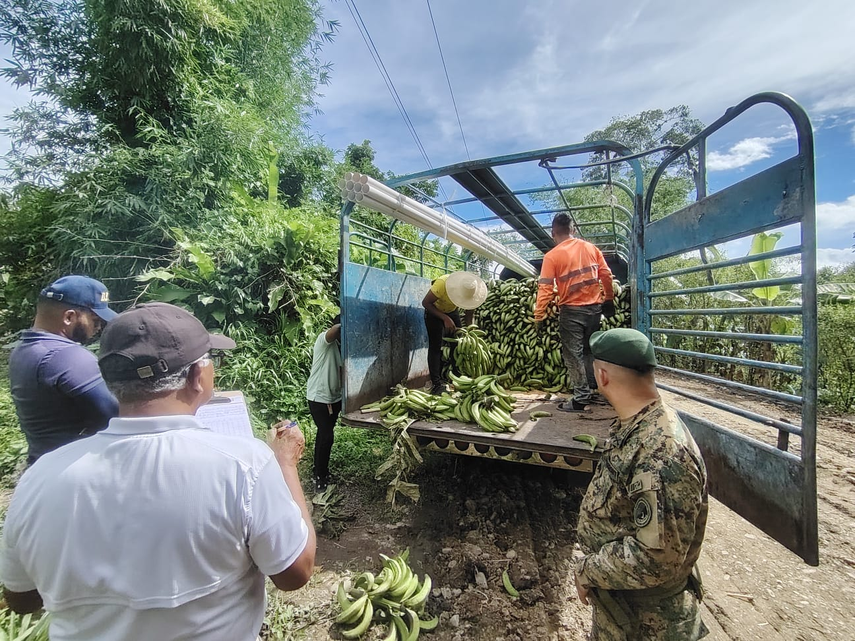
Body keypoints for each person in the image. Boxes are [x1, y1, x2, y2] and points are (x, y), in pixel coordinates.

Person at [0, 302, 316, 641]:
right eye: (211, 359)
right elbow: (294, 573)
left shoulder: (41, 477)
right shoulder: (244, 465)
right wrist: (285, 464)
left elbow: (21, 598)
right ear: (197, 377)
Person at [573, 328, 709, 641]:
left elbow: (654, 558)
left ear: (602, 376)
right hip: (624, 608)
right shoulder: (639, 423)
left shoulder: (662, 451)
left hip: (649, 623)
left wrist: (588, 571)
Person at [9, 275, 119, 464]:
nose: (99, 328)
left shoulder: (23, 350)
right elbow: (118, 417)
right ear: (69, 317)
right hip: (73, 467)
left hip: (44, 464)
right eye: (95, 320)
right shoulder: (66, 357)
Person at [534, 213, 615, 410]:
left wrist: (539, 315)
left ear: (553, 233)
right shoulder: (591, 248)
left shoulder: (552, 256)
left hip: (571, 311)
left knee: (573, 354)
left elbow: (545, 288)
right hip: (594, 309)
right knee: (589, 350)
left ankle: (581, 398)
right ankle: (593, 388)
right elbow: (606, 274)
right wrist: (609, 298)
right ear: (573, 230)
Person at [422, 271, 488, 395]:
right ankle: (436, 384)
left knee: (457, 344)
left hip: (452, 311)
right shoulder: (443, 283)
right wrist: (445, 318)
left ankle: (457, 379)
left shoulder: (472, 292)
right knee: (436, 346)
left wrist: (470, 331)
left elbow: (469, 314)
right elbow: (425, 303)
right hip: (434, 310)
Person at [307, 314, 342, 492]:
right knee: (327, 436)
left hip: (334, 399)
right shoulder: (324, 340)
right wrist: (347, 322)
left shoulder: (342, 347)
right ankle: (320, 477)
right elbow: (334, 331)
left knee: (324, 435)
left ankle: (319, 470)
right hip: (319, 398)